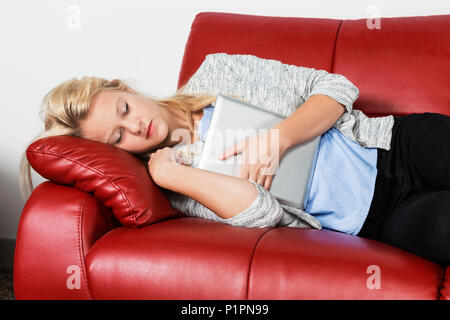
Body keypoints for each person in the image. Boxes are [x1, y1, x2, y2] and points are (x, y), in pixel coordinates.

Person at [19, 54, 450, 266]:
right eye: (118, 137)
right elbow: (261, 212)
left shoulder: (218, 72)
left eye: (125, 110)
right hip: (374, 218)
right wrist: (172, 174)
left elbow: (335, 86)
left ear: (123, 88)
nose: (136, 128)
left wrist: (279, 138)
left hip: (394, 145)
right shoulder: (172, 182)